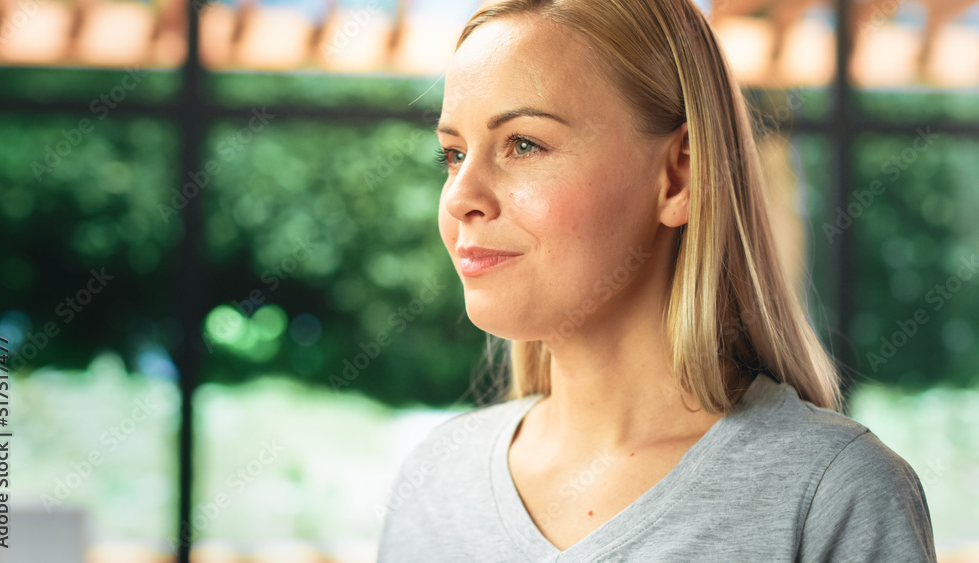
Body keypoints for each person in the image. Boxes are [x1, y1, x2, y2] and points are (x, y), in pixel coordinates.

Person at [377, 0, 937, 560]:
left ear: (680, 175)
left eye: (525, 144)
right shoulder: (436, 481)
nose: (459, 197)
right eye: (452, 154)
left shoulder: (833, 496)